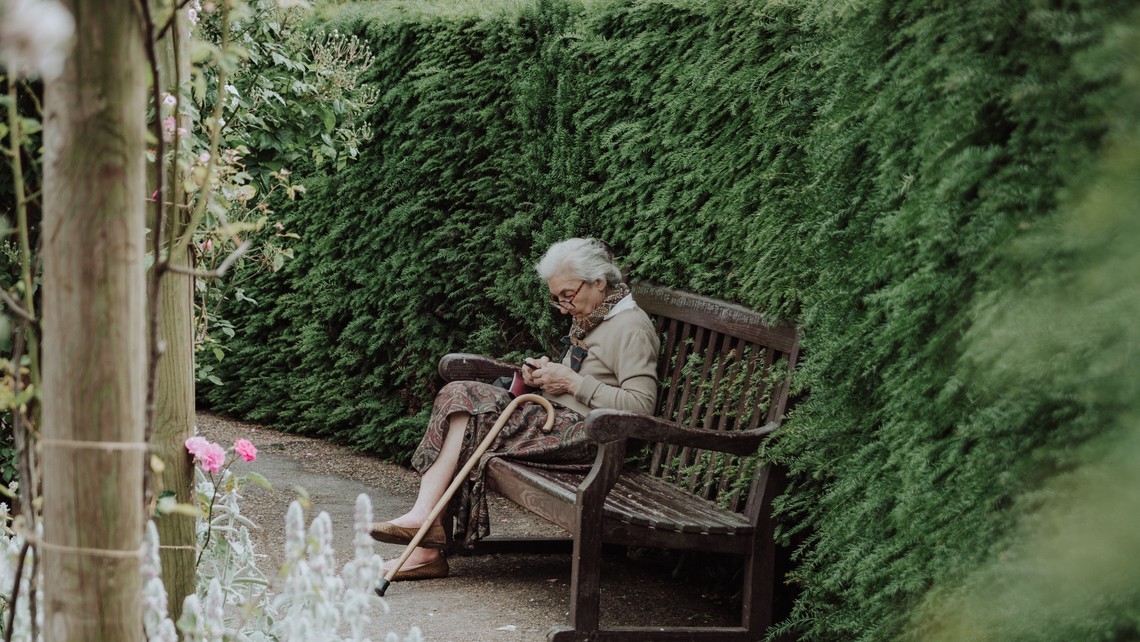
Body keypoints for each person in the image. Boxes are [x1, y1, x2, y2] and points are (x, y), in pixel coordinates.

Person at [370, 237, 660, 580]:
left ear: (599, 282)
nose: (563, 305)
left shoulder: (630, 327)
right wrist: (542, 378)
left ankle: (426, 541)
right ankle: (425, 530)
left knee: (467, 406)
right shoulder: (594, 315)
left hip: (590, 438)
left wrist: (571, 383)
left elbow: (641, 408)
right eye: (556, 298)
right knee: (460, 398)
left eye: (568, 295)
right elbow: (582, 377)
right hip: (556, 421)